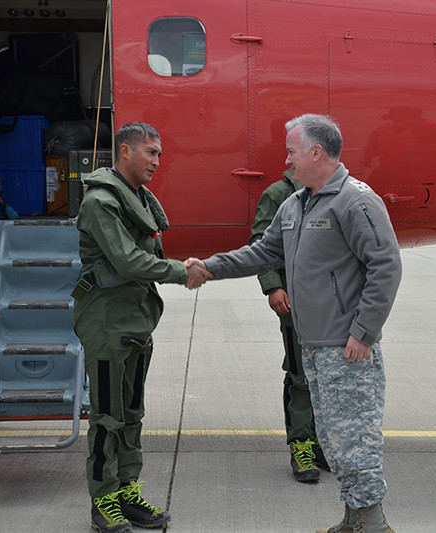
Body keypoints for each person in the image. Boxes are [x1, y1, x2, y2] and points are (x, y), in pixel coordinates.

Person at [188, 114, 402, 533]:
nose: (286, 160)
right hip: (315, 344)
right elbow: (261, 253)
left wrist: (364, 332)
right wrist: (208, 267)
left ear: (316, 152)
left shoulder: (354, 200)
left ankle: (372, 523)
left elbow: (385, 266)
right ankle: (354, 518)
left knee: (356, 440)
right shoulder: (294, 204)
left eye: (291, 151)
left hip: (346, 346)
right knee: (335, 439)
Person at [71, 122, 208, 533]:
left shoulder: (137, 198)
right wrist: (181, 271)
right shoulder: (100, 201)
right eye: (150, 152)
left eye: (159, 154)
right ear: (125, 152)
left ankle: (127, 492)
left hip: (134, 320)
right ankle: (103, 501)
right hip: (108, 323)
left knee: (132, 414)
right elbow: (128, 261)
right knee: (108, 418)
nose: (156, 161)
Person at [248, 169, 329, 483]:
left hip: (332, 302)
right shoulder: (279, 195)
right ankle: (301, 447)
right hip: (295, 298)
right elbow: (261, 242)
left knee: (326, 378)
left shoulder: (339, 192)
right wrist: (272, 286)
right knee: (300, 375)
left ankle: (319, 442)